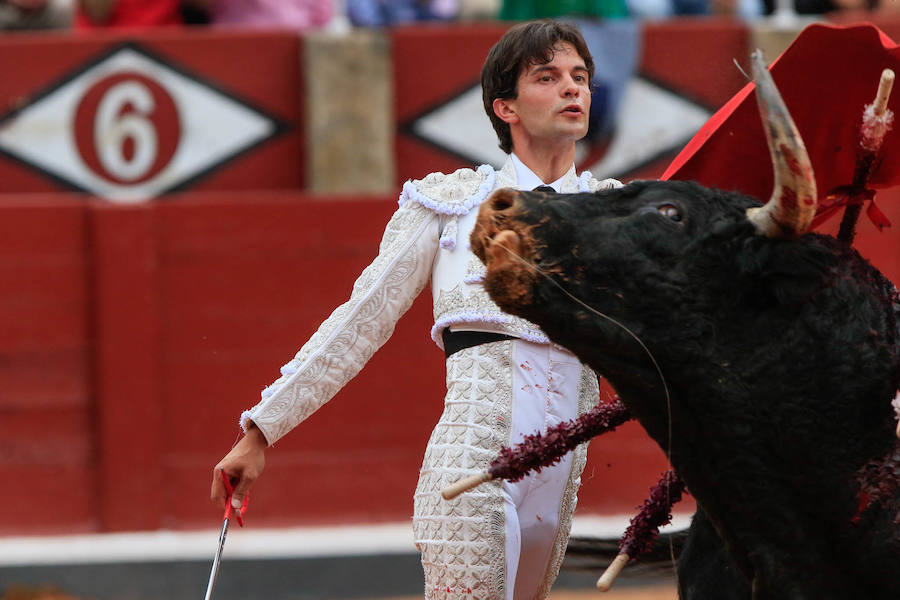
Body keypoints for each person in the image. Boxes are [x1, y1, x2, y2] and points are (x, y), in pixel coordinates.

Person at [211, 19, 621, 600]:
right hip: (471, 471)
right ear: (504, 107)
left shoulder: (614, 216)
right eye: (548, 77)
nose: (572, 89)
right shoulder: (452, 204)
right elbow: (358, 322)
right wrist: (262, 428)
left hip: (559, 481)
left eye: (580, 78)